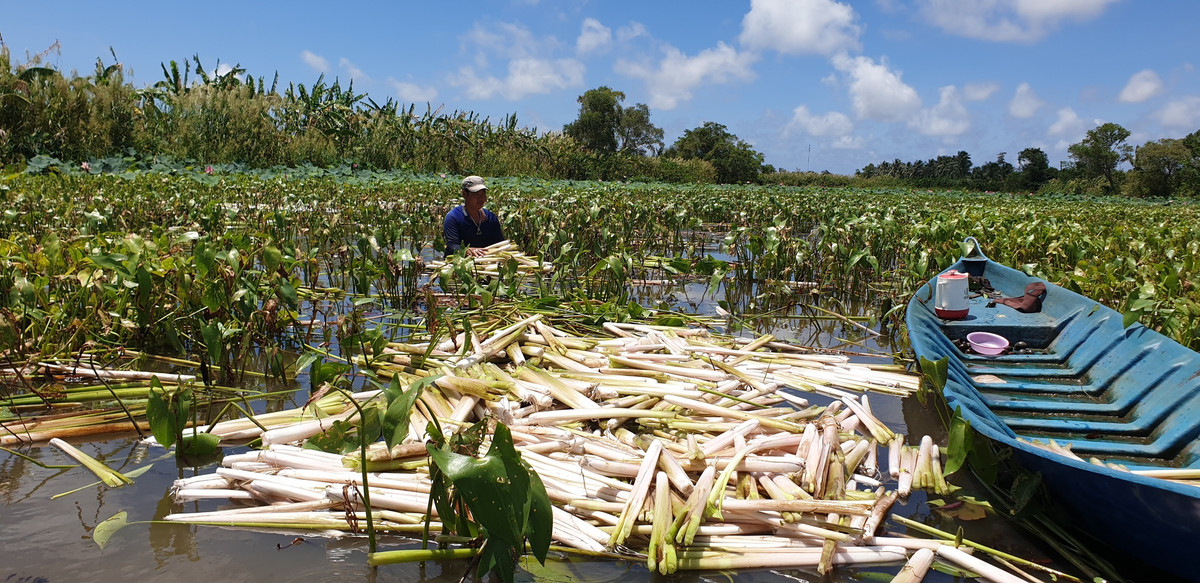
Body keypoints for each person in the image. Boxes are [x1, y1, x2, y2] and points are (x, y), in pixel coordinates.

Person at [443, 175, 505, 257]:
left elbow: (499, 244)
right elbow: (453, 246)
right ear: (464, 194)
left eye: (483, 194)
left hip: (485, 261)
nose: (481, 199)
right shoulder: (453, 217)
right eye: (476, 195)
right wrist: (467, 251)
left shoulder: (491, 218)